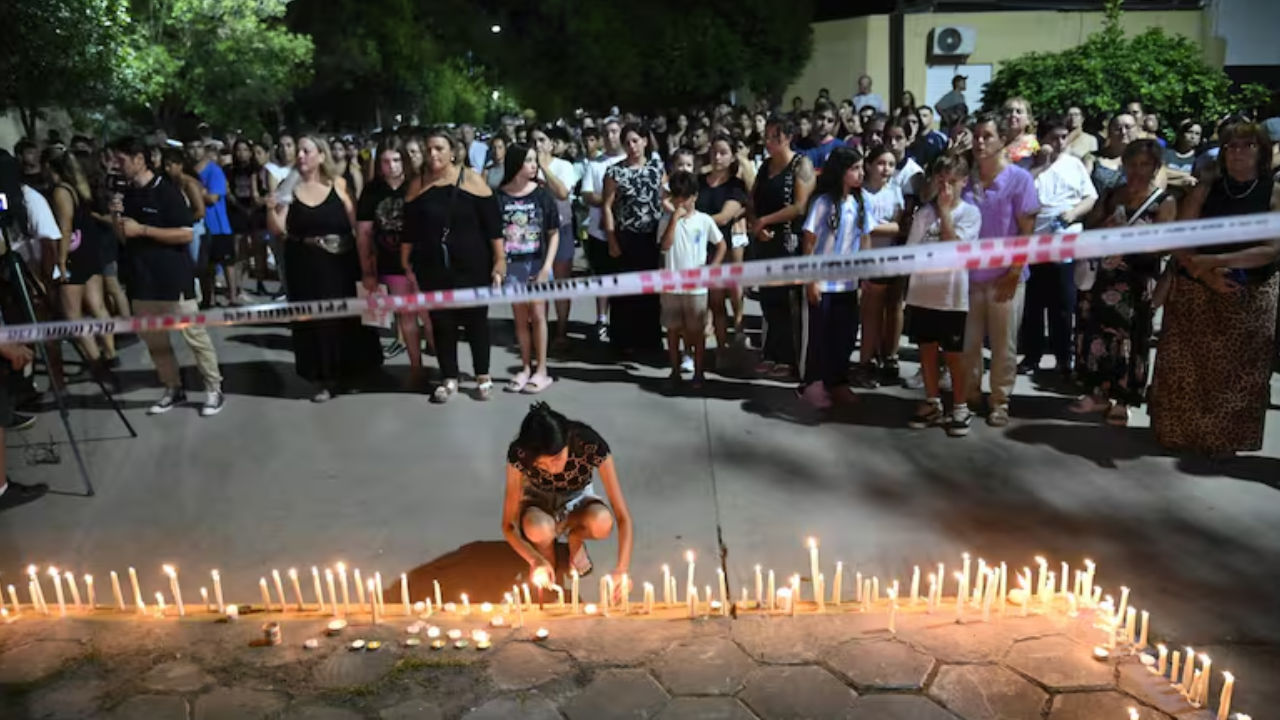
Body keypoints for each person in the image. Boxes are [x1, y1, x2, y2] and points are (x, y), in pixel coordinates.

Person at [1153, 122, 1280, 458]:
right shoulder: (1207, 188)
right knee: (1186, 366)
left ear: (1262, 151)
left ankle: (1224, 439)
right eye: (1230, 146)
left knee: (1237, 372)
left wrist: (1215, 259)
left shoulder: (1274, 191)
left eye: (1246, 146)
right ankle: (1179, 433)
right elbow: (1182, 238)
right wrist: (1205, 272)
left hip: (1251, 292)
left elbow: (1271, 249)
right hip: (1197, 287)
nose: (1237, 152)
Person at [108, 136, 225, 416]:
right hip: (141, 280)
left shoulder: (167, 190)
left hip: (173, 279)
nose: (115, 165)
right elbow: (124, 238)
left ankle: (213, 389)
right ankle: (173, 387)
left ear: (139, 159)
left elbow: (186, 233)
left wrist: (144, 230)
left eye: (120, 159)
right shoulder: (126, 193)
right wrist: (116, 218)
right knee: (155, 341)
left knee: (194, 336)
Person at [267, 135, 383, 403]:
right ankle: (323, 379)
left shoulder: (338, 185)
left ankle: (353, 372)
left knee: (347, 318)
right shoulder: (288, 189)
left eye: (306, 151)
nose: (300, 156)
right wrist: (272, 209)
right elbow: (278, 229)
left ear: (321, 155)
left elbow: (358, 227)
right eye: (298, 151)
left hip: (341, 262)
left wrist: (368, 262)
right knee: (315, 321)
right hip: (305, 265)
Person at [1071, 139, 1173, 426]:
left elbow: (1168, 245)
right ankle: (1098, 393)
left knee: (1130, 339)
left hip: (1136, 281)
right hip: (1102, 279)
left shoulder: (1165, 201)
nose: (1138, 170)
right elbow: (1089, 230)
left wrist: (1139, 240)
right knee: (1096, 335)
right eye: (1132, 164)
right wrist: (1106, 227)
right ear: (1124, 165)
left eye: (1145, 164)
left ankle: (1123, 399)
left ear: (1155, 166)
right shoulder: (1113, 193)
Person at [402, 128, 505, 404]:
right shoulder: (418, 184)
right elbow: (409, 230)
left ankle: (482, 375)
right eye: (429, 149)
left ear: (453, 151)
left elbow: (493, 226)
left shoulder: (471, 179)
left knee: (476, 321)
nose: (433, 154)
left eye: (439, 148)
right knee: (441, 323)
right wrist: (406, 263)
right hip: (432, 266)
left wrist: (500, 260)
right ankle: (449, 376)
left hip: (473, 264)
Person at [961, 113, 1040, 426]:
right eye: (976, 136)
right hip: (970, 276)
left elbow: (1026, 229)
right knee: (968, 343)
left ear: (1003, 140)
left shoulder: (1020, 179)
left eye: (987, 136)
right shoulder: (966, 177)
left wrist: (1013, 271)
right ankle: (968, 395)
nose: (980, 142)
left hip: (1007, 277)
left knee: (1003, 345)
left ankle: (1000, 400)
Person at [503, 403, 633, 589]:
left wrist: (622, 569)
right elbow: (508, 526)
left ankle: (575, 537)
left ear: (567, 442)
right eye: (542, 464)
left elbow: (622, 516)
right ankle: (547, 557)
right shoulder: (520, 454)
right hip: (538, 501)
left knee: (602, 522)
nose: (552, 469)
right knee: (539, 530)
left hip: (579, 499)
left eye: (556, 459)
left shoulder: (588, 443)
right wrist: (535, 560)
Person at [905, 154, 982, 436]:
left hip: (951, 296)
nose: (946, 188)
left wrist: (946, 212)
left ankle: (960, 406)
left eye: (952, 182)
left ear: (964, 182)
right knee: (926, 349)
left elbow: (956, 249)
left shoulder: (970, 214)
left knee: (953, 354)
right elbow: (912, 249)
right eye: (941, 182)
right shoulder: (925, 213)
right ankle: (932, 401)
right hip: (923, 293)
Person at [1021, 117, 1098, 377]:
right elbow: (1019, 197)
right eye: (1054, 137)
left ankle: (1064, 358)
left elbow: (1090, 197)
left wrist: (1074, 213)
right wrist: (1039, 166)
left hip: (1065, 240)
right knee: (1034, 305)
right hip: (1035, 242)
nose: (1060, 142)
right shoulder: (1028, 165)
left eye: (1064, 137)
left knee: (1063, 305)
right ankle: (1031, 356)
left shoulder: (1074, 164)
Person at [796, 146, 870, 408]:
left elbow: (865, 239)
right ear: (841, 172)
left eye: (862, 168)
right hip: (823, 282)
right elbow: (809, 242)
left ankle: (837, 381)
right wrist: (811, 280)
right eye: (855, 168)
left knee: (846, 334)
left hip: (848, 283)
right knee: (819, 336)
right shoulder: (823, 203)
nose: (862, 173)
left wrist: (864, 276)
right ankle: (812, 384)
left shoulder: (861, 202)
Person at [357, 136, 433, 380]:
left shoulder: (419, 183)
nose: (391, 166)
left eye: (397, 160)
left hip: (423, 263)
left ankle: (446, 370)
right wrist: (366, 269)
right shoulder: (372, 191)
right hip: (390, 263)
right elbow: (364, 233)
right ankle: (416, 369)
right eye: (385, 161)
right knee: (407, 318)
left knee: (431, 318)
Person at [750, 116, 815, 380]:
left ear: (787, 137)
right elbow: (752, 199)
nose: (767, 142)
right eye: (766, 136)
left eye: (773, 137)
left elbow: (799, 206)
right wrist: (756, 223)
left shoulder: (801, 164)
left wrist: (767, 220)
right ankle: (771, 353)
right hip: (766, 242)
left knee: (790, 301)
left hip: (790, 241)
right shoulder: (765, 166)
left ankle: (789, 357)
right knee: (769, 300)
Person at [44, 151, 118, 372]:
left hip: (74, 254)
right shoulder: (79, 188)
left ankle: (95, 358)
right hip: (89, 250)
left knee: (73, 313)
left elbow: (65, 227)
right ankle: (111, 353)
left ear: (49, 167)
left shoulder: (61, 191)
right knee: (98, 305)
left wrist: (62, 260)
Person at [498, 143, 560, 394]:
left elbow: (554, 234)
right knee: (521, 319)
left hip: (537, 263)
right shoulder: (499, 196)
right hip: (513, 266)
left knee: (539, 316)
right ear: (516, 164)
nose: (535, 165)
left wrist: (546, 267)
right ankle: (525, 366)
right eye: (529, 161)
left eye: (535, 160)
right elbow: (495, 236)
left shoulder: (543, 195)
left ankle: (542, 369)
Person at [601, 124, 666, 357]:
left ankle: (649, 341)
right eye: (627, 142)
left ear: (645, 141)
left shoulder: (657, 167)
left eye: (636, 141)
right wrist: (611, 239)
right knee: (625, 290)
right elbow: (607, 206)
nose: (632, 146)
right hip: (626, 236)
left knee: (650, 290)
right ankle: (622, 341)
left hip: (651, 237)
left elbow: (664, 197)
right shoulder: (614, 172)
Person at [660, 171, 725, 388]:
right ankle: (675, 371)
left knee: (696, 331)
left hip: (696, 287)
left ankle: (699, 372)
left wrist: (713, 268)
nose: (680, 202)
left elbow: (721, 244)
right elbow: (664, 246)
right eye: (676, 197)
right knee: (672, 329)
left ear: (694, 196)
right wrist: (674, 220)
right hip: (671, 285)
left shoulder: (704, 220)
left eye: (684, 197)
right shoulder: (666, 221)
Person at [855, 145, 904, 388]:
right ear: (869, 165)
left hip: (892, 258)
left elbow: (900, 225)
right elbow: (865, 226)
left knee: (893, 307)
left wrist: (883, 226)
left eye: (892, 165)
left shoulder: (896, 192)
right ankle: (865, 362)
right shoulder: (861, 194)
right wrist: (888, 226)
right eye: (881, 164)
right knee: (870, 312)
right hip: (869, 258)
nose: (886, 169)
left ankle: (889, 356)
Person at [697, 135, 750, 352]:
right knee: (707, 303)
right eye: (714, 152)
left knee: (719, 300)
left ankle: (723, 347)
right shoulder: (698, 181)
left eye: (723, 153)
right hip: (697, 248)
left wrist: (693, 220)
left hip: (721, 249)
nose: (717, 157)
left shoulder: (735, 185)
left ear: (732, 157)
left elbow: (725, 216)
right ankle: (709, 349)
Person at [580, 118, 626, 342]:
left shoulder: (630, 160)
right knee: (603, 277)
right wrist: (609, 201)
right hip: (599, 231)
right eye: (607, 133)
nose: (611, 137)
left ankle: (623, 323)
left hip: (626, 230)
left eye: (615, 132)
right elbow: (587, 194)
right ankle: (601, 318)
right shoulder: (595, 164)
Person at [530, 126, 576, 347]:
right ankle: (541, 329)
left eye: (541, 140)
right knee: (538, 281)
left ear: (551, 144)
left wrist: (544, 169)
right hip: (536, 230)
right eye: (534, 141)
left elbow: (562, 192)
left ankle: (561, 329)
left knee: (561, 281)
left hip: (561, 228)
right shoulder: (527, 168)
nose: (537, 145)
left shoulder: (564, 166)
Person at [1163, 120, 1202, 197]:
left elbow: (1197, 180)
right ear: (1181, 134)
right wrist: (1185, 177)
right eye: (1190, 132)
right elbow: (1159, 173)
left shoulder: (1200, 157)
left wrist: (1169, 177)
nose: (1193, 137)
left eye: (1197, 134)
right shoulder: (1166, 153)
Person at [1002, 97, 1040, 165]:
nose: (1013, 115)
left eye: (1019, 112)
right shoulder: (996, 143)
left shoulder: (1035, 142)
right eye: (1009, 112)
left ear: (1028, 119)